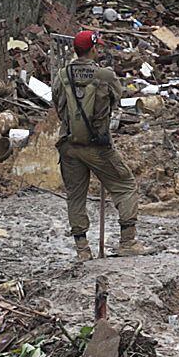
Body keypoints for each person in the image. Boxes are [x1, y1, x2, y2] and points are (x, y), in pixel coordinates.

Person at [53, 28, 141, 258]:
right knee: (125, 185)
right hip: (98, 146)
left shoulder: (62, 75)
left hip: (69, 145)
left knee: (75, 195)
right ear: (93, 49)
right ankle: (127, 243)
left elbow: (58, 107)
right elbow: (117, 99)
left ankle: (82, 249)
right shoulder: (105, 75)